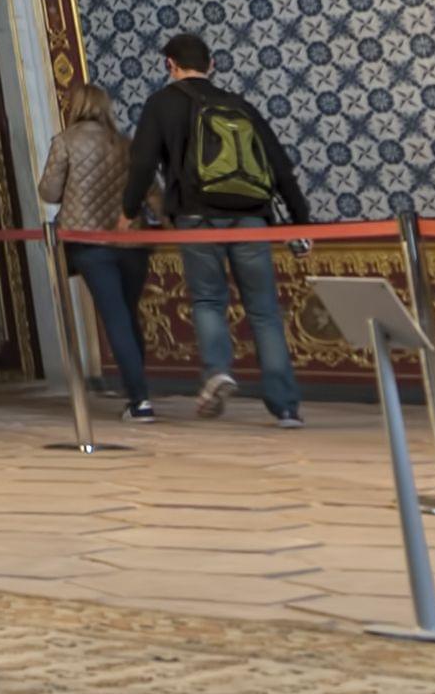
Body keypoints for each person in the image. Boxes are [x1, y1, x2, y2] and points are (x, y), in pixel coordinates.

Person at [129, 30, 308, 423]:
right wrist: (301, 220)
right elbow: (279, 166)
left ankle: (217, 371)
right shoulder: (239, 105)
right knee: (264, 310)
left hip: (198, 216)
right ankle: (286, 406)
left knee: (209, 300)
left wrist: (130, 211)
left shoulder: (161, 104)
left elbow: (142, 164)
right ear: (211, 65)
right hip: (251, 216)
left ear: (169, 65)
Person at [38, 77, 157, 418]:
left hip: (89, 242)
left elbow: (48, 192)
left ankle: (139, 399)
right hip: (131, 240)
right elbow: (151, 189)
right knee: (128, 314)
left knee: (115, 316)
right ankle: (138, 393)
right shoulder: (126, 143)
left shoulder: (65, 142)